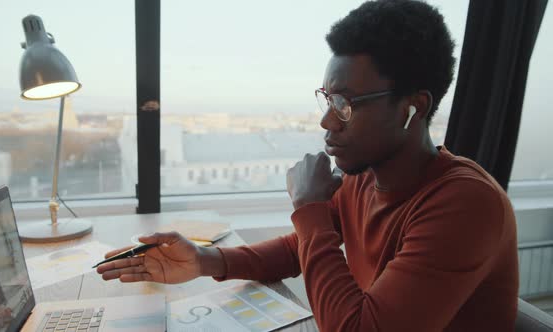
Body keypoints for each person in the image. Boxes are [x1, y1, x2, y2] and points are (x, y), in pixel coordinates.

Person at [97, 0, 519, 330]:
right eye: (327, 98)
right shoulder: (364, 177)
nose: (326, 120)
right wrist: (206, 261)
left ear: (413, 107)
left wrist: (309, 208)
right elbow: (300, 247)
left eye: (345, 104)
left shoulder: (466, 204)